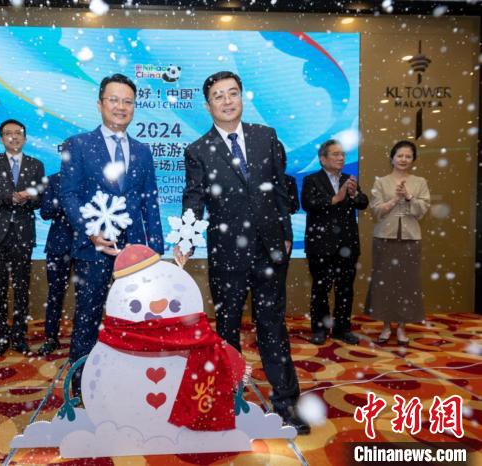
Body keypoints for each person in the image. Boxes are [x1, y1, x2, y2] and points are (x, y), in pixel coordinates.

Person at [174, 71, 309, 435]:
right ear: (208, 106)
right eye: (218, 96)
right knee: (228, 330)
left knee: (272, 327)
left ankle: (287, 404)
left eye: (232, 93)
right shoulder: (198, 150)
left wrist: (285, 235)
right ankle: (227, 401)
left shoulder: (266, 137)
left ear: (242, 97)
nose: (227, 101)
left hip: (269, 251)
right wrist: (186, 238)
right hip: (227, 254)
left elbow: (280, 189)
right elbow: (194, 199)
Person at [59, 73, 164, 395]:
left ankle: (130, 382)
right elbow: (68, 195)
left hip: (134, 253)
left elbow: (150, 202)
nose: (121, 107)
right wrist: (91, 230)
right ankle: (82, 386)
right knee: (88, 317)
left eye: (128, 101)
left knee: (134, 317)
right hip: (93, 250)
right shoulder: (78, 145)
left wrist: (156, 250)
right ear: (100, 104)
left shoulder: (142, 151)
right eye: (114, 100)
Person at [0, 119, 45, 357]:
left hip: (22, 234)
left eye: (18, 133)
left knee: (21, 288)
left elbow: (40, 199)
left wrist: (31, 197)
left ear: (25, 138)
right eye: (8, 133)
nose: (14, 137)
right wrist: (12, 197)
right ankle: (0, 337)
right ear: (1, 138)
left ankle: (19, 336)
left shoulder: (36, 165)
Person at [301, 139, 369, 346]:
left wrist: (354, 194)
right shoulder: (311, 180)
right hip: (320, 245)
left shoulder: (349, 179)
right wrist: (335, 199)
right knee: (321, 289)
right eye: (336, 154)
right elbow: (308, 204)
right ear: (323, 159)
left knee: (345, 289)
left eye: (343, 154)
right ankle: (320, 330)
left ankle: (342, 329)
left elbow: (363, 203)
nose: (341, 158)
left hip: (347, 245)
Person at [365, 140, 430, 346]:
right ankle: (386, 326)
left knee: (407, 284)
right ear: (392, 158)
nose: (403, 159)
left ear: (413, 160)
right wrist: (395, 199)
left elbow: (422, 210)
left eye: (408, 156)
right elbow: (376, 211)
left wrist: (409, 196)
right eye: (400, 155)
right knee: (385, 283)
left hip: (410, 239)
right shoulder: (381, 182)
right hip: (384, 238)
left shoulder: (420, 182)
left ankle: (401, 326)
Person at [37, 173, 74, 356]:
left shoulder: (91, 176)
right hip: (58, 245)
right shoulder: (53, 180)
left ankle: (83, 338)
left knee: (87, 296)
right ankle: (51, 338)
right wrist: (68, 201)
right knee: (55, 294)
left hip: (87, 246)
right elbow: (45, 212)